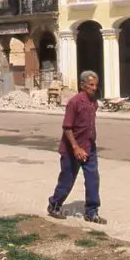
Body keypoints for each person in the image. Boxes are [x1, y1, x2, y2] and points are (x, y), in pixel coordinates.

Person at [47, 70, 106, 224]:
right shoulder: (74, 102)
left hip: (89, 148)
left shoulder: (94, 102)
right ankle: (54, 205)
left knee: (93, 179)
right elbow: (67, 127)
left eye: (96, 85)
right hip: (72, 150)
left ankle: (92, 212)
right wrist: (75, 148)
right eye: (90, 85)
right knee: (67, 180)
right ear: (82, 85)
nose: (94, 88)